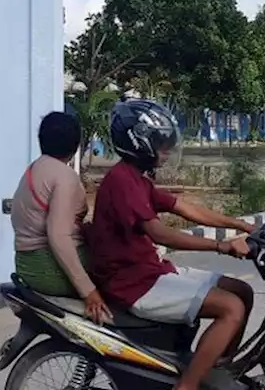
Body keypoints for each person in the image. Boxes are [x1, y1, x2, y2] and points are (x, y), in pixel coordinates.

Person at [89, 98, 256, 390]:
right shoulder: (121, 182)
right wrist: (223, 246)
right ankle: (188, 386)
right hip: (134, 284)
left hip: (151, 272)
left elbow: (184, 208)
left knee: (243, 290)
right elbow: (160, 234)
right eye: (161, 144)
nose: (166, 151)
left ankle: (215, 371)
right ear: (139, 143)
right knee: (231, 308)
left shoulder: (137, 178)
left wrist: (241, 225)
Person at [10, 110, 112, 324]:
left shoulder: (34, 169)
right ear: (75, 145)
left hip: (27, 265)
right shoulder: (65, 177)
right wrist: (88, 291)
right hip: (49, 268)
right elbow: (58, 235)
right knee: (124, 272)